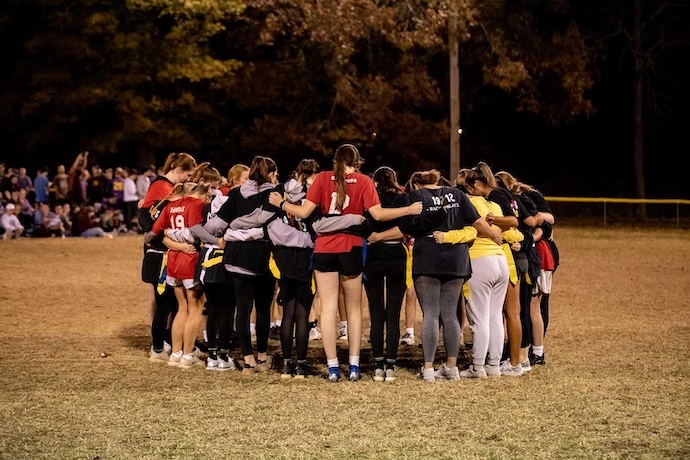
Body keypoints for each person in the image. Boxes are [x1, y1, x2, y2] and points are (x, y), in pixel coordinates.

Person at [269, 143, 422, 382]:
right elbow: (379, 214)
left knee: (328, 308)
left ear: (334, 161)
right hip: (351, 247)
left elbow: (303, 213)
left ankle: (332, 368)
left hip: (324, 248)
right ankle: (353, 366)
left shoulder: (321, 178)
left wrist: (281, 203)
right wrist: (408, 209)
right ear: (357, 162)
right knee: (352, 309)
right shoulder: (363, 181)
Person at [146, 182, 222, 369]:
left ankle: (176, 354)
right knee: (195, 307)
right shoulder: (195, 205)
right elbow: (196, 229)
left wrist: (153, 240)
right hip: (190, 259)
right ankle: (187, 356)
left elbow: (152, 233)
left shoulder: (170, 206)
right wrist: (217, 241)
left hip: (172, 259)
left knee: (181, 308)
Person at [449, 163, 511, 379]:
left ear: (473, 184)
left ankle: (477, 366)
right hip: (501, 260)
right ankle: (494, 364)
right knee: (495, 315)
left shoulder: (470, 202)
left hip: (480, 260)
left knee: (479, 317)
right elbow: (509, 228)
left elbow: (468, 231)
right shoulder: (495, 205)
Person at [138, 152, 197, 363]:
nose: (189, 180)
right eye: (188, 175)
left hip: (169, 253)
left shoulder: (166, 187)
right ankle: (157, 348)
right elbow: (147, 215)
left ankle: (169, 343)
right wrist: (152, 234)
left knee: (171, 303)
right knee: (164, 303)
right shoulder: (161, 186)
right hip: (160, 254)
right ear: (179, 170)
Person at [362, 166, 410, 382]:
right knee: (393, 313)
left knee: (376, 312)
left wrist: (376, 237)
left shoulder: (369, 198)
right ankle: (391, 364)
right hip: (396, 255)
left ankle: (378, 364)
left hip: (374, 256)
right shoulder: (403, 199)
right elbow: (405, 229)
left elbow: (366, 230)